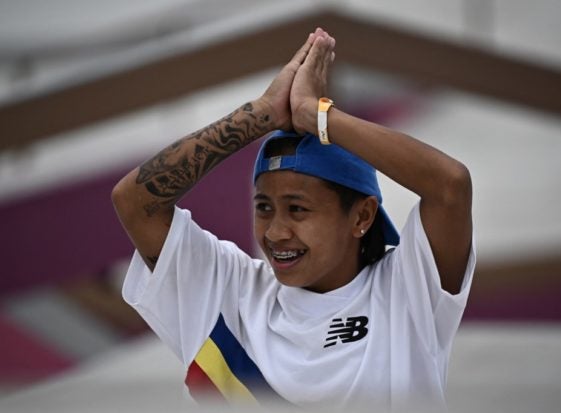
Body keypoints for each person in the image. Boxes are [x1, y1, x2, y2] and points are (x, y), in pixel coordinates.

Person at [112, 27, 475, 410]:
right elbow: (134, 202)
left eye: (297, 209)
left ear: (362, 216)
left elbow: (450, 185)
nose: (276, 231)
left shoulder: (407, 291)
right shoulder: (227, 291)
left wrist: (315, 115)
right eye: (264, 207)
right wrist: (263, 113)